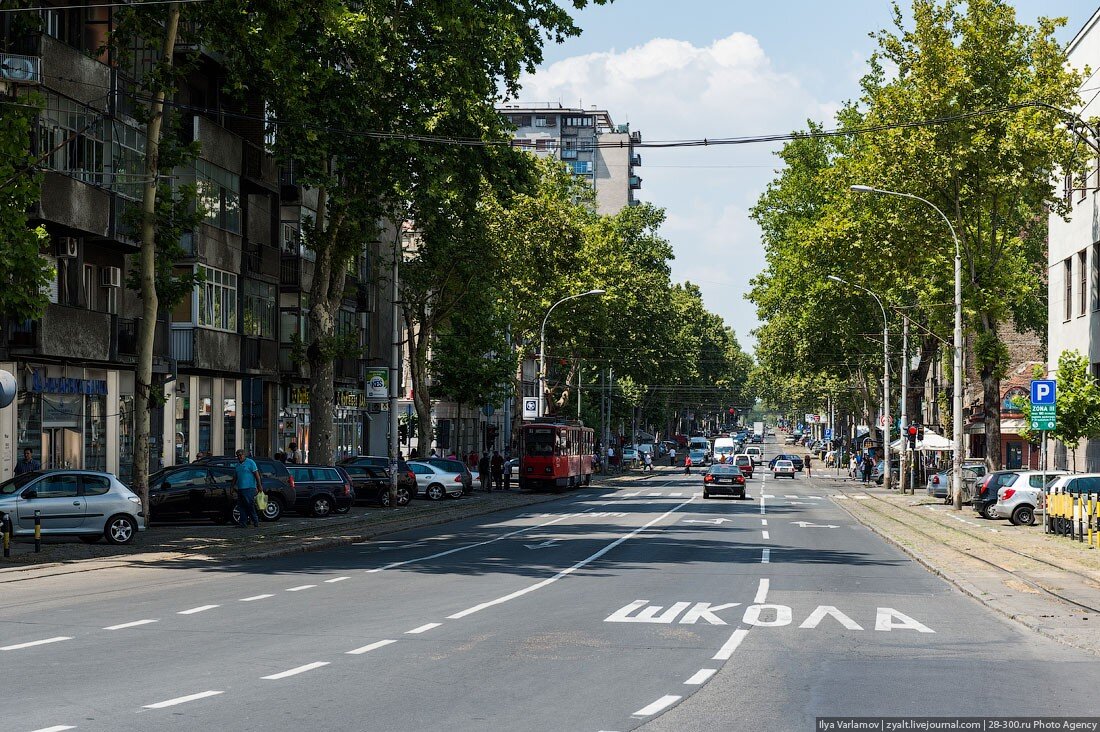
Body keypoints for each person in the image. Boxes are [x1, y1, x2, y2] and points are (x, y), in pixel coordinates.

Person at [232, 449, 262, 528]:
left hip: (249, 488)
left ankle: (255, 520)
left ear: (244, 455)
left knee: (249, 505)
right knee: (241, 506)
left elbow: (256, 474)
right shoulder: (238, 465)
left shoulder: (250, 462)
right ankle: (243, 523)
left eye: (240, 455)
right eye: (237, 455)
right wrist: (232, 486)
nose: (239, 457)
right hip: (240, 488)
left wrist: (259, 485)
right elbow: (235, 477)